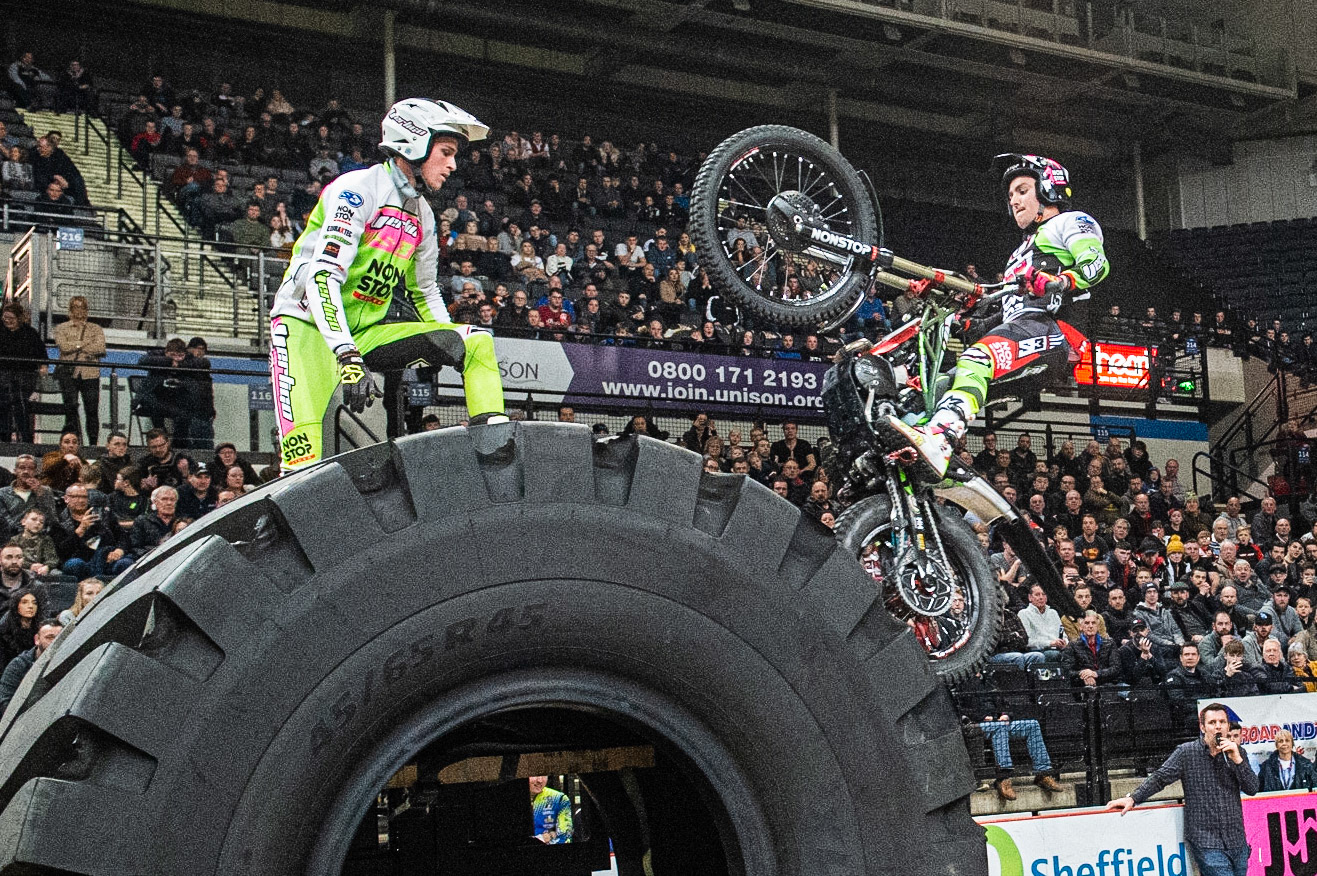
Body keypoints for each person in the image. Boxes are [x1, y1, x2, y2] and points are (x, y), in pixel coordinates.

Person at [268, 98, 506, 472]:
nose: (453, 164)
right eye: (445, 152)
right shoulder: (356, 190)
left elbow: (425, 290)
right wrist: (347, 356)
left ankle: (496, 455)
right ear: (415, 142)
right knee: (302, 468)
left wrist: (444, 338)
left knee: (475, 342)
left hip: (365, 333)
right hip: (306, 328)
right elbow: (322, 276)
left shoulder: (423, 215)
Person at [891, 154, 1108, 477]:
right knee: (937, 388)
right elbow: (1008, 320)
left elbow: (1096, 264)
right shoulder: (1018, 254)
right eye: (1010, 196)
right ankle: (913, 463)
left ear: (1048, 187)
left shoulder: (1070, 221)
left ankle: (941, 438)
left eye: (1022, 190)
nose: (1014, 202)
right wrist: (965, 324)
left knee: (976, 359)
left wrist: (1058, 281)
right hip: (1030, 334)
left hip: (1058, 333)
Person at [1107, 703, 1256, 876]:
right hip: (1206, 840)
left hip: (1237, 839)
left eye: (1222, 722)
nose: (1218, 726)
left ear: (1228, 726)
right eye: (1212, 722)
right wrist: (1133, 798)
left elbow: (1252, 788)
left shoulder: (1238, 753)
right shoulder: (1187, 752)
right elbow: (1160, 777)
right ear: (1202, 727)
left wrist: (1237, 760)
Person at [955, 670, 1065, 801]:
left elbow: (1005, 703)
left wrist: (1005, 714)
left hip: (999, 722)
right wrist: (982, 717)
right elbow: (959, 709)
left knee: (1032, 725)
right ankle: (1003, 778)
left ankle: (1043, 773)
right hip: (977, 725)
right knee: (1000, 727)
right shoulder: (961, 682)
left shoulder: (990, 680)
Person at [52, 296, 106, 445]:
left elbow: (100, 348)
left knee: (92, 410)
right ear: (70, 309)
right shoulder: (61, 328)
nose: (79, 310)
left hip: (90, 373)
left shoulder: (95, 328)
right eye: (76, 307)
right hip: (69, 373)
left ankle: (93, 443)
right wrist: (84, 345)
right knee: (70, 409)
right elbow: (64, 347)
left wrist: (76, 345)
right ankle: (71, 442)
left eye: (82, 307)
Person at [0, 304, 47, 442]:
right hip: (3, 376)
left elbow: (41, 355)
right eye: (5, 317)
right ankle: (4, 438)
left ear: (19, 318)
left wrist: (43, 368)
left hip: (25, 377)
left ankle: (26, 437)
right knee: (5, 398)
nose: (7, 320)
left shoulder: (30, 333)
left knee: (18, 397)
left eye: (11, 318)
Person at [0, 617, 61, 714]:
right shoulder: (18, 665)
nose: (55, 642)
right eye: (49, 637)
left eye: (59, 637)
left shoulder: (67, 662)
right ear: (37, 639)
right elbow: (5, 701)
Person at [528, 775, 573, 844]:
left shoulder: (559, 799)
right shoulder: (509, 798)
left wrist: (544, 838)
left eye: (544, 775)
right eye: (535, 775)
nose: (540, 780)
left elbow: (566, 834)